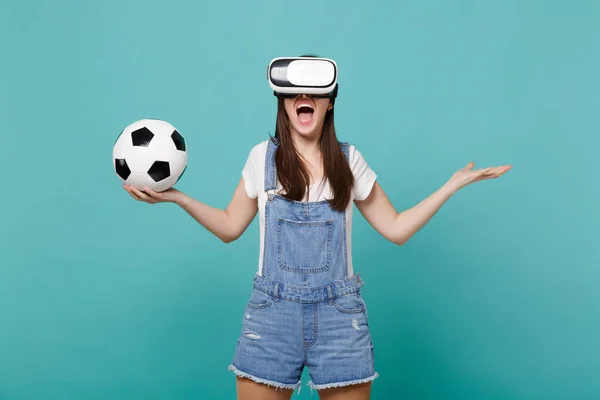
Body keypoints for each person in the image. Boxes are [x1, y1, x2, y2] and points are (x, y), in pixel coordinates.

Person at [123, 56, 511, 400]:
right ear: (283, 103)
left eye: (313, 92)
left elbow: (396, 228)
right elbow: (229, 226)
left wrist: (451, 185)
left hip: (340, 319)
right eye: (292, 93)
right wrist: (179, 198)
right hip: (271, 317)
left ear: (329, 102)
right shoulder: (262, 158)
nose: (302, 98)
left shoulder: (349, 161)